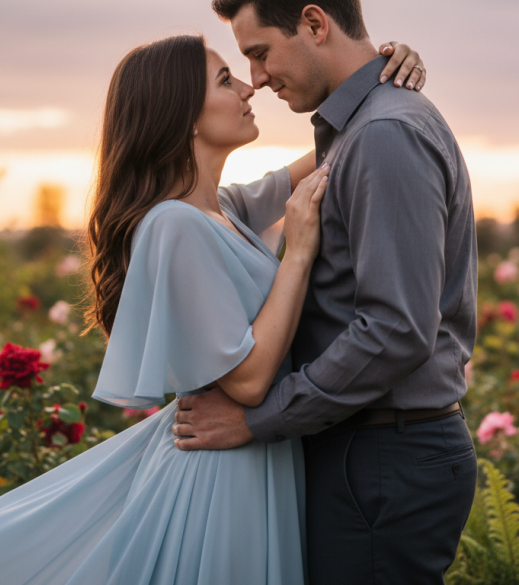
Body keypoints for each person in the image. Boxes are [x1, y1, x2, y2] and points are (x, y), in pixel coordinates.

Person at [0, 35, 425, 585]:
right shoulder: (172, 227)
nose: (250, 88)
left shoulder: (223, 212)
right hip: (223, 471)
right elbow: (247, 381)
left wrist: (380, 81)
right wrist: (298, 252)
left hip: (248, 457)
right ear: (181, 111)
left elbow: (341, 150)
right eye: (226, 79)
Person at [171, 2, 480, 584]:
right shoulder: (363, 130)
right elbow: (225, 203)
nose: (256, 79)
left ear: (315, 24)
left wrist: (256, 420)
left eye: (259, 53)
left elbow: (394, 332)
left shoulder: (385, 133)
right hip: (365, 447)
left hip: (384, 455)